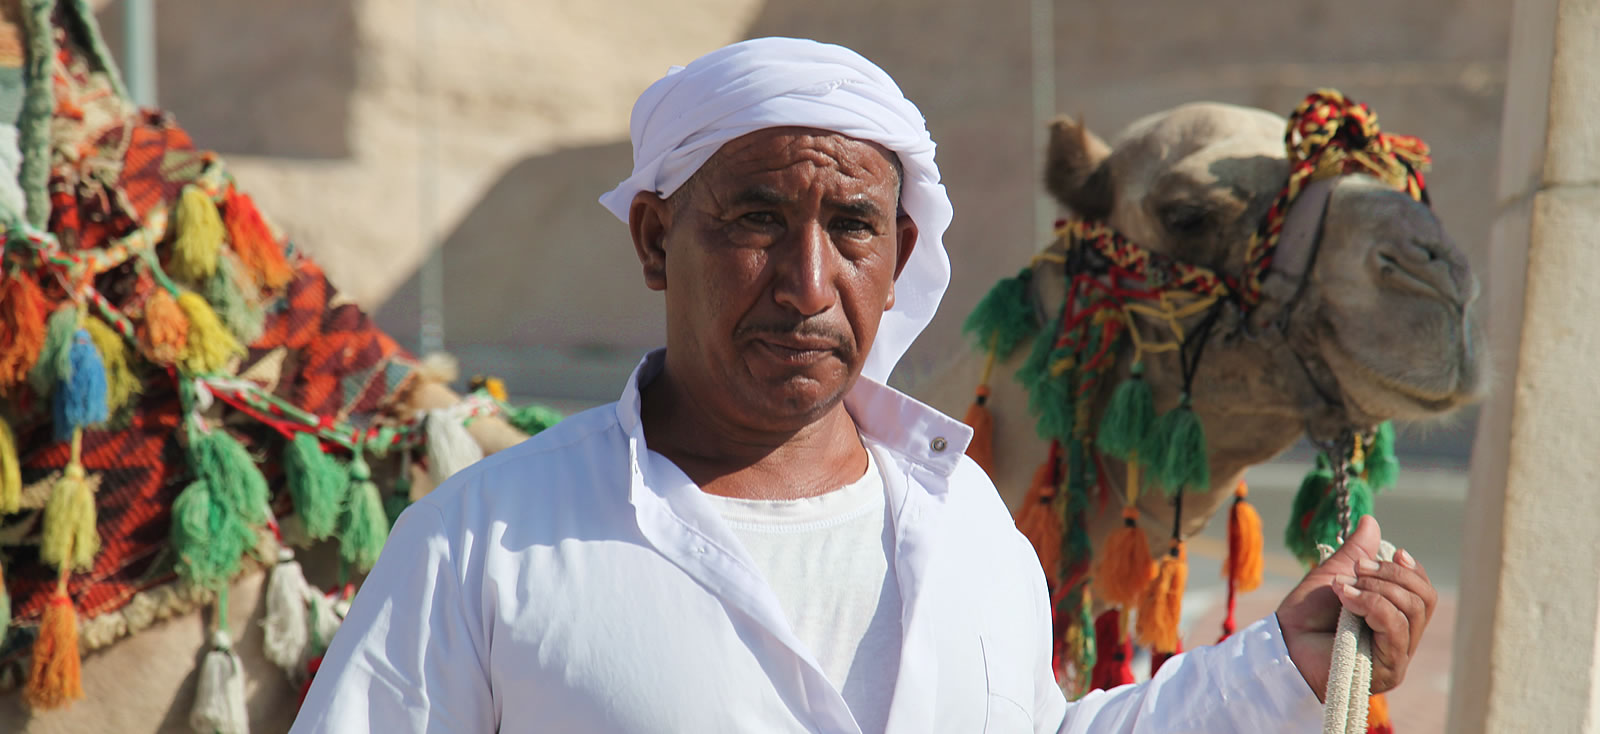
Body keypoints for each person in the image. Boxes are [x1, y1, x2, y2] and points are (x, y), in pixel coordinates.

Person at [291, 37, 1437, 733]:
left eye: (849, 227)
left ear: (898, 255)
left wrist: (1285, 659)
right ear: (654, 239)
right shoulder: (482, 544)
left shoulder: (959, 520)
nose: (806, 281)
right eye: (753, 220)